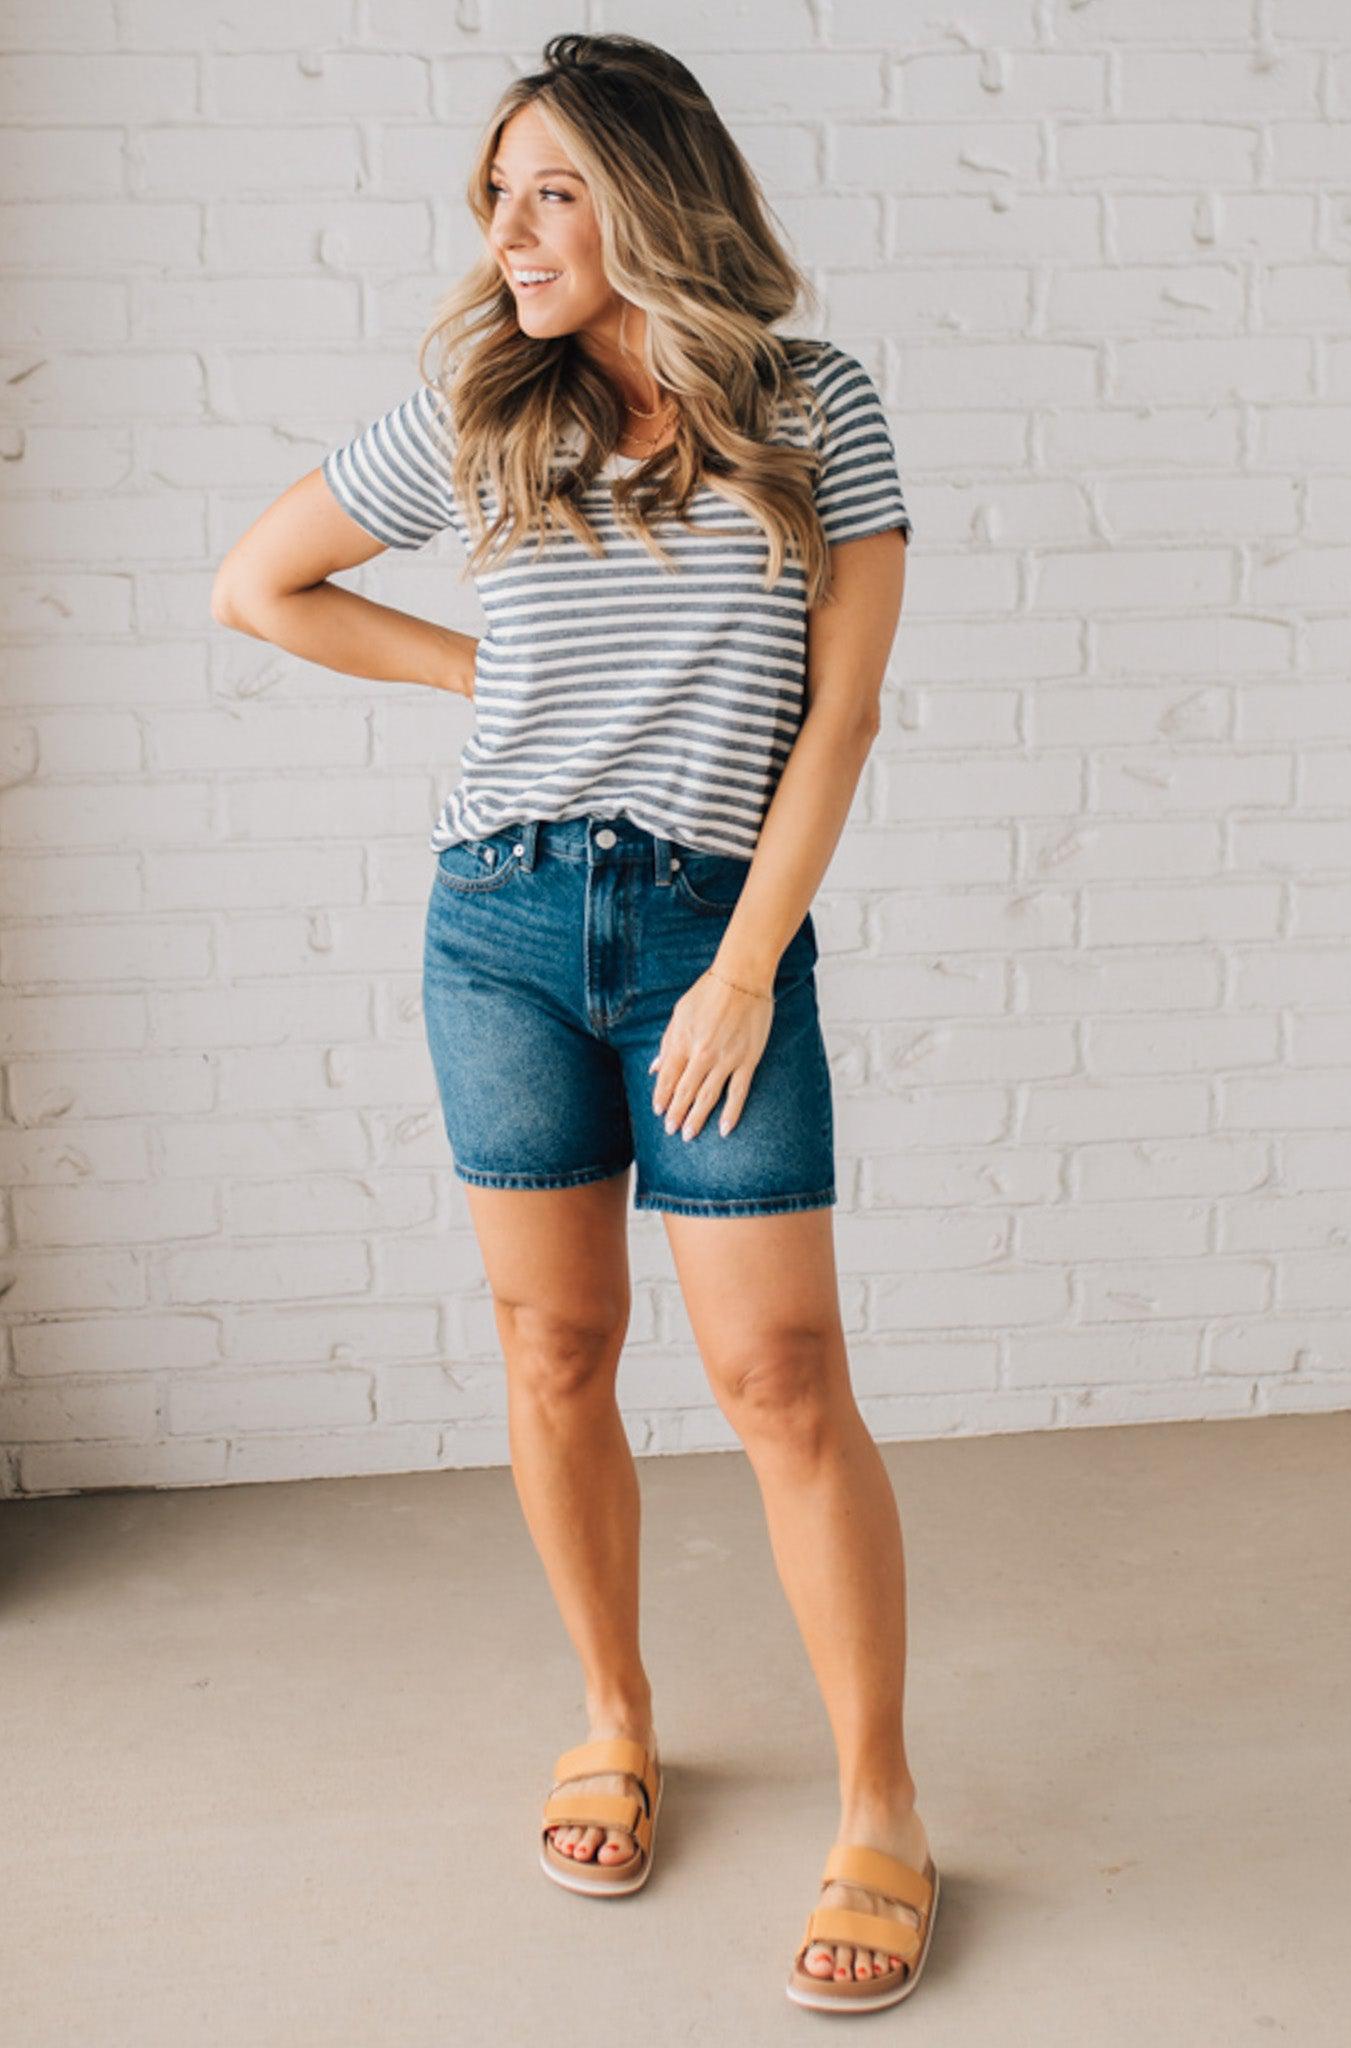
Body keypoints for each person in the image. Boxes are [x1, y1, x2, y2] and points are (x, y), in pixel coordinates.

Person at [211, 31, 937, 2015]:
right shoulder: (479, 407)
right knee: (553, 1346)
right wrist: (493, 687)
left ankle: (877, 1798)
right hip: (501, 925)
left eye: (549, 188)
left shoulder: (816, 407)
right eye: (495, 192)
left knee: (777, 1375)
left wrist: (743, 961)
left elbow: (840, 712)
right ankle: (612, 1709)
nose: (505, 229)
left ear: (647, 193)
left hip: (715, 926)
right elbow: (259, 584)